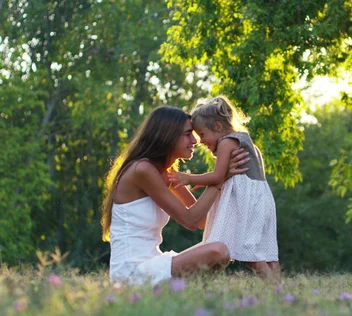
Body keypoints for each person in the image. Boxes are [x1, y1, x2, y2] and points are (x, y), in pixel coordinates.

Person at [101, 106, 250, 286]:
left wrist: (224, 181)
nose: (195, 141)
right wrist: (220, 177)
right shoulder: (142, 170)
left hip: (153, 261)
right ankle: (181, 292)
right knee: (218, 251)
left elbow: (203, 221)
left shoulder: (167, 173)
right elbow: (191, 220)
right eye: (188, 134)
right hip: (131, 272)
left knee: (221, 247)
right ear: (168, 135)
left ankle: (182, 295)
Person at [168, 96, 280, 280]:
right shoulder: (247, 141)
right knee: (266, 249)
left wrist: (188, 178)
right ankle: (278, 284)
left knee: (248, 250)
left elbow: (218, 176)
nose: (200, 141)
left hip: (248, 203)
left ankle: (274, 288)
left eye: (202, 134)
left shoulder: (226, 142)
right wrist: (204, 180)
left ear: (218, 127)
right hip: (263, 200)